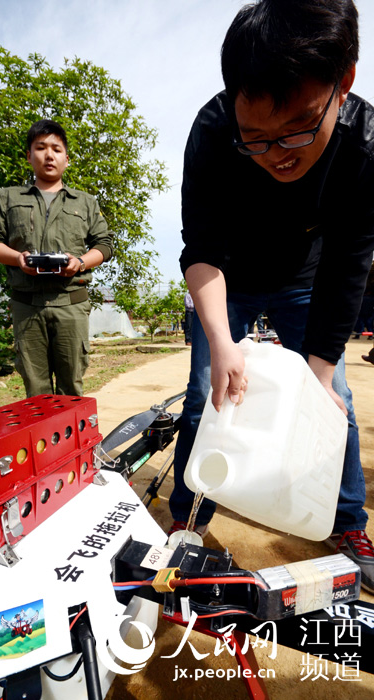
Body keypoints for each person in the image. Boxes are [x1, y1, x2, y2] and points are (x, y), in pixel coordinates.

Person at [168, 0, 374, 592]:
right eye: (255, 137)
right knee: (207, 391)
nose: (279, 153)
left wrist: (318, 369)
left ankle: (348, 521)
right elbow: (200, 248)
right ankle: (190, 514)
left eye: (300, 128)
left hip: (306, 279)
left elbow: (350, 260)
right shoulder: (212, 132)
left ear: (344, 82)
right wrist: (221, 341)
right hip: (227, 276)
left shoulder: (364, 146)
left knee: (332, 398)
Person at [0, 119, 114, 397]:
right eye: (40, 148)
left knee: (71, 389)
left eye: (56, 148)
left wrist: (80, 262)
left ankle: (72, 441)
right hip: (26, 305)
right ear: (29, 156)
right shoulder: (8, 197)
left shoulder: (86, 202)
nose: (48, 155)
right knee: (36, 392)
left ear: (67, 158)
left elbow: (105, 244)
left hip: (71, 305)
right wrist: (17, 258)